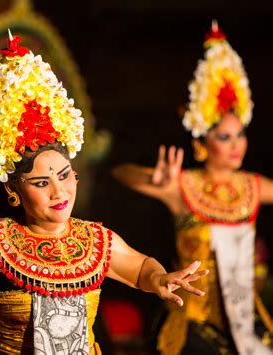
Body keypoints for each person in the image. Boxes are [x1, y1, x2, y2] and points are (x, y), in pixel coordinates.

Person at [0, 31, 208, 354]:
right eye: (42, 183)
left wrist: (159, 279)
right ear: (14, 190)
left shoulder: (96, 242)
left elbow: (141, 268)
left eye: (64, 176)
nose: (59, 191)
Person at [112, 22, 273, 354]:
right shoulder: (182, 183)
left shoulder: (253, 186)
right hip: (191, 322)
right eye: (224, 137)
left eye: (240, 134)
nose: (236, 145)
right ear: (202, 144)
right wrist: (150, 180)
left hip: (243, 319)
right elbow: (120, 172)